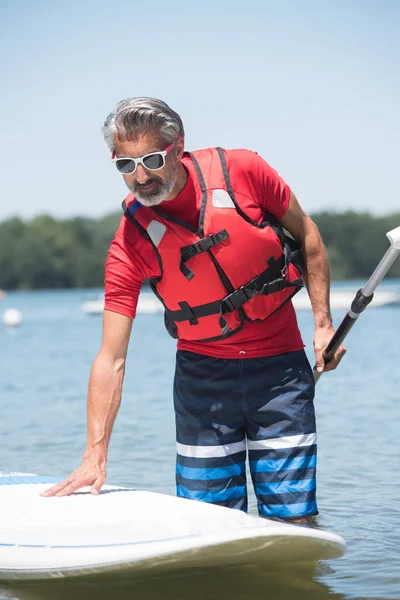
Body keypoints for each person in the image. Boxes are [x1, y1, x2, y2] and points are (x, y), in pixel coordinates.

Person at [42, 97, 345, 524]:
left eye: (150, 159)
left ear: (178, 146)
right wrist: (95, 456)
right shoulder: (132, 241)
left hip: (280, 375)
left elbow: (309, 237)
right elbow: (111, 358)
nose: (140, 177)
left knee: (294, 520)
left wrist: (323, 324)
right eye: (125, 165)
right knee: (209, 525)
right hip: (203, 385)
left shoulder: (244, 171)